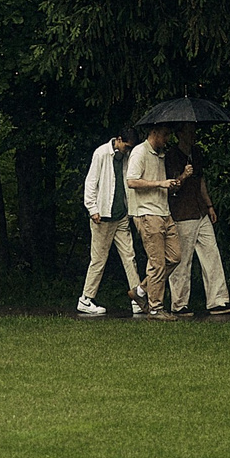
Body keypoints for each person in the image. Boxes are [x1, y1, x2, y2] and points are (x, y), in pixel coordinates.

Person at [165, 123, 230, 316]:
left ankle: (218, 301)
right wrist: (184, 175)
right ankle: (179, 305)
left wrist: (209, 205)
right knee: (183, 260)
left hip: (200, 211)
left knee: (211, 254)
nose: (193, 135)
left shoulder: (196, 153)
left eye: (193, 131)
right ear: (179, 134)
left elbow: (201, 181)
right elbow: (172, 187)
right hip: (182, 213)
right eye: (189, 132)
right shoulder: (171, 155)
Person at [77, 127, 144, 317]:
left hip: (121, 215)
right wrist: (93, 209)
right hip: (103, 217)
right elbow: (91, 182)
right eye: (127, 147)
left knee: (129, 256)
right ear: (119, 140)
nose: (128, 151)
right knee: (98, 259)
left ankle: (137, 298)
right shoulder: (101, 154)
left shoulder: (126, 157)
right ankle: (86, 299)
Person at [123, 123, 186, 320]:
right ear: (154, 132)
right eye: (165, 135)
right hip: (146, 213)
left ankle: (141, 291)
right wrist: (160, 183)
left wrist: (179, 179)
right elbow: (132, 181)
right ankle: (155, 308)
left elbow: (164, 186)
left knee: (175, 257)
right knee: (157, 263)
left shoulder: (160, 155)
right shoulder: (139, 152)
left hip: (163, 211)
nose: (167, 139)